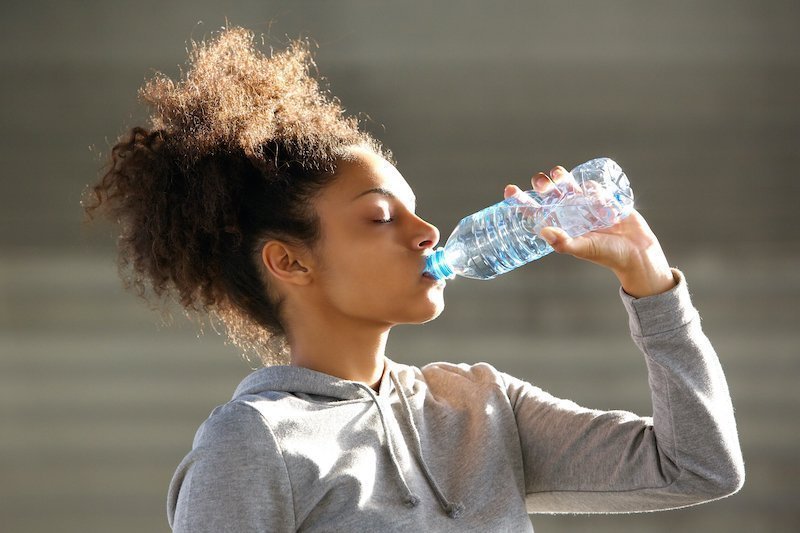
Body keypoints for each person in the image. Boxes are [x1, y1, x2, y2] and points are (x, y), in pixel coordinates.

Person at [83, 27, 744, 532]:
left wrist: (651, 283)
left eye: (415, 208)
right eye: (379, 217)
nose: (427, 231)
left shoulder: (482, 406)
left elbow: (698, 465)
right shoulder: (252, 442)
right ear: (291, 261)